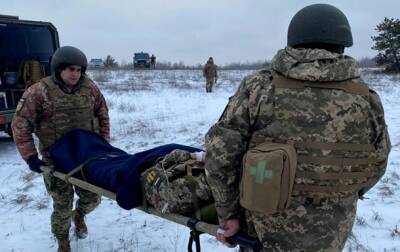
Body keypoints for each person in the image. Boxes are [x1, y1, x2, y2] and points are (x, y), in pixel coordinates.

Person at [204, 4, 391, 251]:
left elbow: (220, 156)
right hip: (332, 229)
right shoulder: (365, 97)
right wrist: (339, 191)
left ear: (294, 41)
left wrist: (228, 214)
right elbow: (377, 161)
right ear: (343, 44)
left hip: (263, 228)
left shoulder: (259, 88)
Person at [11, 46, 110, 252]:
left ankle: (80, 215)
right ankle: (63, 241)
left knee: (93, 198)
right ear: (59, 69)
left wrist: (103, 145)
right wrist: (30, 157)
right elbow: (20, 124)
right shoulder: (39, 92)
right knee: (62, 205)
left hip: (86, 158)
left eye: (79, 70)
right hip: (54, 162)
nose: (75, 74)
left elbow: (102, 115)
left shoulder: (90, 88)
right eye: (70, 69)